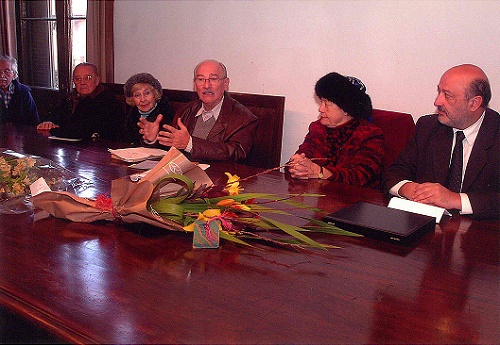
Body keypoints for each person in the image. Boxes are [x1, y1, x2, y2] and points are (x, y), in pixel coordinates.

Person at [383, 64, 499, 219]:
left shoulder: (496, 133)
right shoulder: (428, 126)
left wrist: (455, 200)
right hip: (429, 228)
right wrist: (410, 189)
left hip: (482, 233)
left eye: (447, 95)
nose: (437, 101)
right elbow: (393, 173)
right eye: (439, 92)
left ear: (474, 103)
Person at [138, 59, 258, 162]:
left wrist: (190, 144)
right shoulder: (185, 110)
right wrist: (153, 138)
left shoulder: (244, 118)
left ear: (225, 84)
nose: (206, 85)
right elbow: (172, 148)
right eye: (201, 79)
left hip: (218, 180)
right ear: (195, 84)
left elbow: (237, 154)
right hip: (183, 177)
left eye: (213, 79)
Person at [288, 72, 384, 188]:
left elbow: (360, 176)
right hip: (321, 197)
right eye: (321, 102)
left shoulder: (370, 134)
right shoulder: (317, 128)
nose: (320, 109)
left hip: (355, 200)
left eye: (327, 104)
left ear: (346, 110)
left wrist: (320, 172)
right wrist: (298, 163)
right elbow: (305, 153)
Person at [37, 62, 126, 141]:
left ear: (97, 80)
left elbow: (82, 130)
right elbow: (53, 115)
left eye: (88, 78)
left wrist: (54, 129)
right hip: (69, 148)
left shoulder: (109, 101)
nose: (82, 82)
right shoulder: (71, 97)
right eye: (78, 79)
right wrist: (47, 122)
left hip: (97, 151)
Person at [123, 72, 174, 145]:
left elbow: (168, 148)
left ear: (155, 94)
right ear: (132, 99)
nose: (143, 99)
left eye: (147, 93)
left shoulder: (167, 115)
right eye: (137, 95)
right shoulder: (130, 116)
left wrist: (152, 140)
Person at [0, 55, 39, 125]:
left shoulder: (24, 92)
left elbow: (34, 121)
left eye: (6, 71)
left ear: (14, 75)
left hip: (21, 135)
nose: (2, 76)